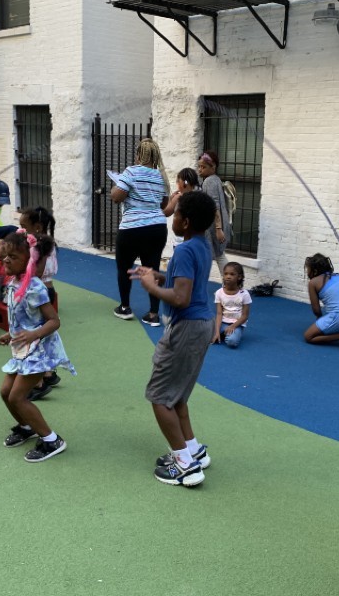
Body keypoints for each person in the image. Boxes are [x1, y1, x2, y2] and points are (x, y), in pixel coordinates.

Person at [129, 190, 217, 487]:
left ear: (186, 221)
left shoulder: (183, 250)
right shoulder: (201, 245)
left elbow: (181, 297)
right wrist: (156, 275)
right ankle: (192, 449)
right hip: (203, 324)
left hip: (187, 328)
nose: (172, 218)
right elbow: (184, 281)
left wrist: (150, 287)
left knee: (159, 396)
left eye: (176, 214)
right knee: (177, 395)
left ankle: (184, 465)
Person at [0, 231, 76, 463]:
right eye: (5, 256)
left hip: (39, 351)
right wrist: (9, 335)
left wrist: (32, 335)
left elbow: (54, 321)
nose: (6, 260)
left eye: (13, 256)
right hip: (22, 349)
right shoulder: (14, 283)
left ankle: (51, 439)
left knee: (18, 396)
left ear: (28, 260)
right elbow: (21, 319)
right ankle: (26, 426)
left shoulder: (35, 287)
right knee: (5, 393)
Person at [110, 138, 169, 327]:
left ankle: (125, 307)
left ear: (138, 155)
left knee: (124, 267)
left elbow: (117, 197)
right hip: (157, 228)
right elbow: (164, 204)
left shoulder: (131, 171)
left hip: (132, 227)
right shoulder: (161, 176)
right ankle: (153, 314)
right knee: (152, 269)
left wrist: (116, 186)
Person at [18, 206, 61, 400]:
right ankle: (49, 373)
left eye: (24, 227)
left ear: (36, 227)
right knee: (43, 334)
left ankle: (39, 383)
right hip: (46, 290)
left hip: (39, 292)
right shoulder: (44, 240)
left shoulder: (39, 244)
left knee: (35, 335)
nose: (21, 230)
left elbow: (37, 271)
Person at [197, 150, 232, 279]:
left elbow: (214, 205)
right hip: (216, 223)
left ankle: (230, 282)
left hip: (213, 225)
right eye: (199, 166)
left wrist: (218, 229)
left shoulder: (209, 181)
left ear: (213, 167)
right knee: (218, 255)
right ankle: (230, 283)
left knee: (215, 255)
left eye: (203, 167)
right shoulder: (215, 179)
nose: (200, 169)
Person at [212, 261, 252, 349]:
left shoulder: (244, 294)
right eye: (226, 274)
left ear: (239, 277)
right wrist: (217, 331)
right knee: (207, 335)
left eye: (232, 274)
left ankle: (232, 333)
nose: (228, 276)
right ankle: (222, 333)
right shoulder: (219, 293)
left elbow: (245, 316)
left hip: (236, 324)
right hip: (222, 322)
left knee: (232, 342)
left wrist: (233, 326)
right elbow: (219, 314)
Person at [162, 167, 200, 247]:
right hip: (197, 240)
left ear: (184, 183)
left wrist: (170, 200)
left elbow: (166, 212)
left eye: (178, 181)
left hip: (180, 241)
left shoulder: (179, 197)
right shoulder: (200, 195)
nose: (177, 184)